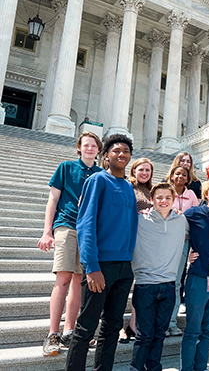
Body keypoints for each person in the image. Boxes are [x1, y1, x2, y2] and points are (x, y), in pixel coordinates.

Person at [65, 134, 138, 371]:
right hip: (101, 266)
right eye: (116, 150)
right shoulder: (97, 180)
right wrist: (91, 266)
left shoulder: (129, 186)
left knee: (112, 327)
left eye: (126, 151)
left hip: (124, 267)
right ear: (105, 155)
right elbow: (85, 224)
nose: (121, 154)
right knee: (86, 327)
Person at [37, 132, 103, 356]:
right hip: (66, 225)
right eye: (86, 145)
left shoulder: (101, 174)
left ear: (99, 149)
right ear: (79, 147)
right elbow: (53, 199)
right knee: (63, 278)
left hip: (89, 230)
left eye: (94, 145)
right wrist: (47, 232)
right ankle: (52, 333)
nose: (90, 148)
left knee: (78, 281)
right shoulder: (66, 168)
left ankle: (69, 331)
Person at [130, 182, 189, 371]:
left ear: (174, 199)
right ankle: (136, 368)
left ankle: (154, 367)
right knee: (144, 335)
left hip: (169, 286)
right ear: (151, 199)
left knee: (160, 334)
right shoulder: (140, 219)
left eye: (168, 197)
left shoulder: (181, 220)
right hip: (145, 286)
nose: (164, 201)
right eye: (159, 197)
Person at [179, 178, 209, 371]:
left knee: (206, 329)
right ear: (206, 193)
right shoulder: (193, 213)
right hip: (198, 276)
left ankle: (201, 367)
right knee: (193, 329)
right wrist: (187, 253)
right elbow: (175, 229)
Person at [120, 158, 155, 344]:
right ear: (133, 170)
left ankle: (133, 325)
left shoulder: (151, 191)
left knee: (140, 284)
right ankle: (118, 327)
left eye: (148, 170)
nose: (144, 173)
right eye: (141, 169)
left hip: (147, 242)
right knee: (122, 285)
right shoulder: (127, 186)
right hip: (128, 240)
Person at [166, 165, 198, 336]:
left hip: (184, 241)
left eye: (184, 174)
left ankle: (171, 322)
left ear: (187, 178)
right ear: (172, 175)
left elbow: (197, 218)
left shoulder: (191, 194)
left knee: (177, 282)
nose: (180, 176)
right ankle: (161, 322)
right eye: (177, 173)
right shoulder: (165, 191)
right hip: (165, 240)